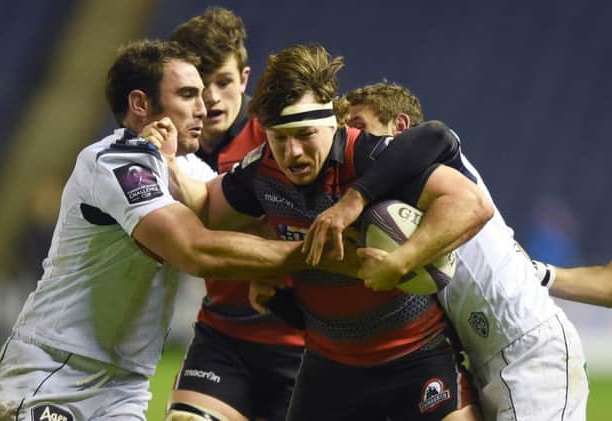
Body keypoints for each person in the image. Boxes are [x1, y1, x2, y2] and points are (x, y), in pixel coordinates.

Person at [0, 39, 357, 421]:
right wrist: (314, 255)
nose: (204, 106)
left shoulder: (184, 168)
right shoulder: (114, 162)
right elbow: (195, 249)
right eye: (188, 94)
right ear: (141, 104)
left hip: (125, 386)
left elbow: (244, 217)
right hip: (55, 368)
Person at [165, 43, 489, 421]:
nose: (293, 152)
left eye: (304, 134)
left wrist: (401, 262)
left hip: (415, 356)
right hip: (331, 368)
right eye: (279, 138)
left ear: (332, 122)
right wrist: (166, 159)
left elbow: (472, 204)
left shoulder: (369, 156)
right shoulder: (263, 170)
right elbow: (207, 208)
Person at [317, 80, 590, 420]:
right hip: (485, 360)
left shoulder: (436, 165)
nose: (356, 142)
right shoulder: (403, 208)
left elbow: (437, 134)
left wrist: (355, 198)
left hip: (529, 349)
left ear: (399, 126)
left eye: (359, 127)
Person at [166, 8, 305, 421]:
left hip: (302, 341)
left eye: (223, 82)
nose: (211, 99)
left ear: (245, 79)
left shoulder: (279, 136)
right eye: (198, 86)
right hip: (223, 334)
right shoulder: (168, 147)